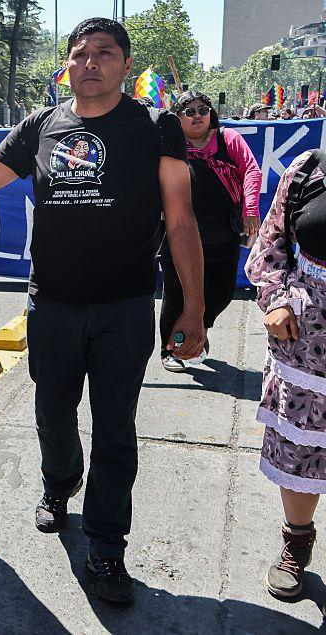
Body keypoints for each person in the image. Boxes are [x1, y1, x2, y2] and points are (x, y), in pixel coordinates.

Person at [0, 17, 205, 604]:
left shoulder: (157, 128)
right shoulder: (40, 126)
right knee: (52, 416)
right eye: (79, 54)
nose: (90, 63)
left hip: (124, 309)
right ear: (68, 65)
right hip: (51, 305)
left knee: (114, 431)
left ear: (126, 65)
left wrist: (194, 308)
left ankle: (106, 547)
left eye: (104, 53)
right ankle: (58, 486)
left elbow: (180, 221)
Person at [245, 150, 326, 599]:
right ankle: (297, 542)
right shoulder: (307, 171)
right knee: (303, 447)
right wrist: (276, 298)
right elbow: (272, 240)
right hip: (310, 336)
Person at [159, 91, 263, 372]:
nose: (197, 116)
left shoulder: (228, 140)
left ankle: (195, 332)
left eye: (203, 110)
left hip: (222, 232)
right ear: (176, 117)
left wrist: (250, 209)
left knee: (221, 293)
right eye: (189, 111)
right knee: (177, 295)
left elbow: (252, 171)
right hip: (177, 232)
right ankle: (172, 349)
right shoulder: (168, 146)